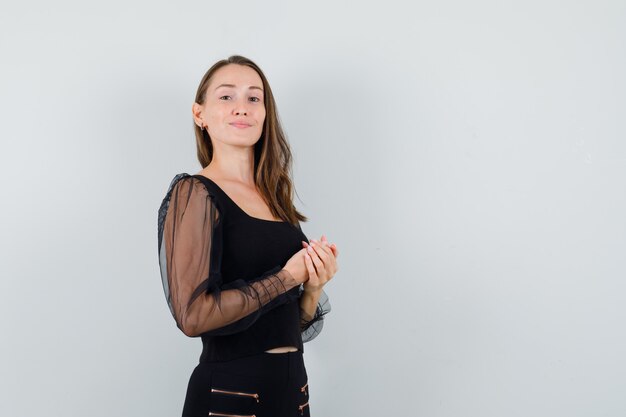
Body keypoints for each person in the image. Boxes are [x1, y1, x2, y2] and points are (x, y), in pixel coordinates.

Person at [157, 55, 338, 417]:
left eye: (254, 98)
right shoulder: (194, 194)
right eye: (226, 97)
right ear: (200, 114)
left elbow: (285, 328)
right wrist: (288, 276)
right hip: (230, 395)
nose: (242, 108)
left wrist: (314, 284)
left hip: (291, 391)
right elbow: (193, 316)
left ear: (265, 113)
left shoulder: (276, 197)